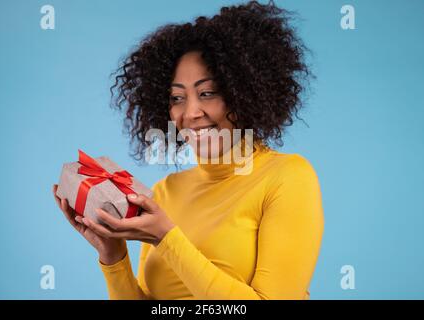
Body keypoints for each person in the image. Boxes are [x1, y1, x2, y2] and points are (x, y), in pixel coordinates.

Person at [53, 0, 324, 300]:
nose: (191, 112)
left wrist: (166, 238)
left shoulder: (288, 177)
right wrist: (113, 256)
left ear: (244, 94)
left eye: (207, 93)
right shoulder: (165, 192)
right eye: (177, 98)